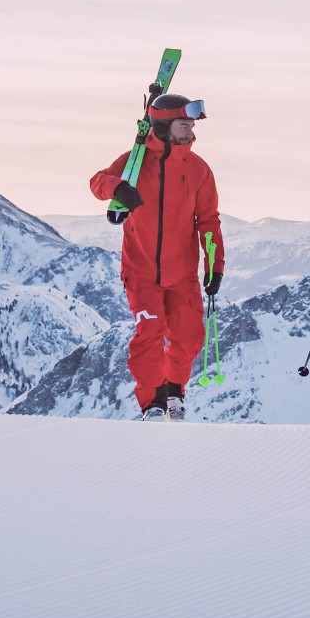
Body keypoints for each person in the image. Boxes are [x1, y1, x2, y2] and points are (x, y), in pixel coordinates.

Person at [90, 94, 224, 422]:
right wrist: (119, 188)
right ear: (163, 126)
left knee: (190, 337)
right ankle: (153, 402)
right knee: (149, 333)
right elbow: (98, 183)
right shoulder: (134, 162)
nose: (191, 133)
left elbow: (208, 221)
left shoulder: (198, 170)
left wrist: (214, 265)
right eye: (184, 126)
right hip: (140, 271)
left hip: (183, 274)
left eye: (192, 126)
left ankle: (175, 390)